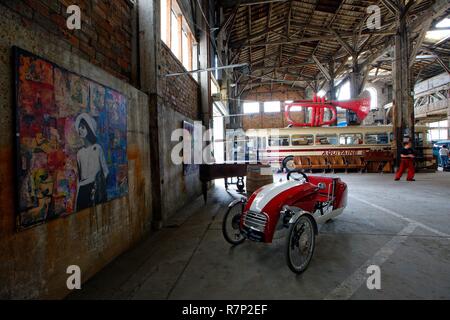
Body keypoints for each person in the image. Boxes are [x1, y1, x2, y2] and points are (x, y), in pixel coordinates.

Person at [75, 113, 109, 211]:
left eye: (83, 127)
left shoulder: (97, 148)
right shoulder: (79, 153)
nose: (80, 129)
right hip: (82, 191)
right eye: (79, 127)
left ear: (89, 129)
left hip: (95, 188)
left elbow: (106, 171)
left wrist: (98, 185)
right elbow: (79, 178)